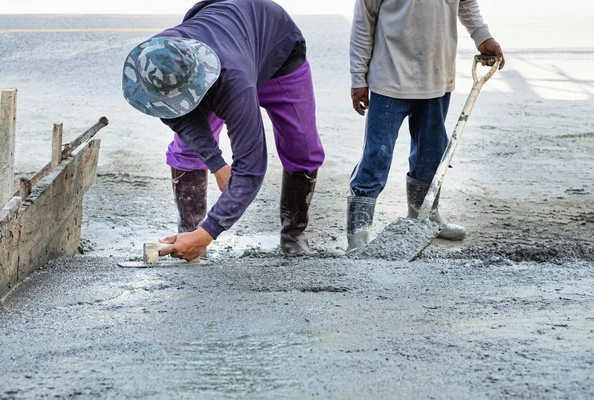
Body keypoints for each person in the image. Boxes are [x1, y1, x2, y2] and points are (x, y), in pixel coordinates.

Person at [122, 0, 325, 261]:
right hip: (227, 34)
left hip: (277, 49)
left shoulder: (233, 84)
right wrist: (217, 164)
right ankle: (188, 234)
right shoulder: (153, 60)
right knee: (187, 150)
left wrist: (209, 231)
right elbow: (178, 117)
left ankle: (293, 235)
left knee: (302, 147)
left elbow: (251, 168)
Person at [346, 0, 505, 251]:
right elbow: (363, 22)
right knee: (377, 154)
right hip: (389, 77)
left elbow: (467, 4)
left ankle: (424, 215)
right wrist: (358, 78)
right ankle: (358, 232)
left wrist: (482, 36)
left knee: (430, 152)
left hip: (436, 76)